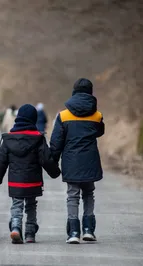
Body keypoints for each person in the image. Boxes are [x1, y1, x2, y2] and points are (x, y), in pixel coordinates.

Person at [0, 104, 61, 244]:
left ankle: (16, 227)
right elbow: (46, 159)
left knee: (16, 204)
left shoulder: (8, 139)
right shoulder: (38, 138)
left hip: (15, 182)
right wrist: (55, 172)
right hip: (33, 181)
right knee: (31, 205)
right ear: (33, 120)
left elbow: (1, 161)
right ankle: (30, 233)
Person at [50, 78, 105, 244]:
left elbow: (56, 142)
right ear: (90, 93)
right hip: (90, 160)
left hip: (71, 161)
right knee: (88, 193)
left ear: (74, 92)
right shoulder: (97, 115)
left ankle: (73, 232)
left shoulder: (63, 115)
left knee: (72, 196)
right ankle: (88, 230)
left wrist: (52, 161)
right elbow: (100, 132)